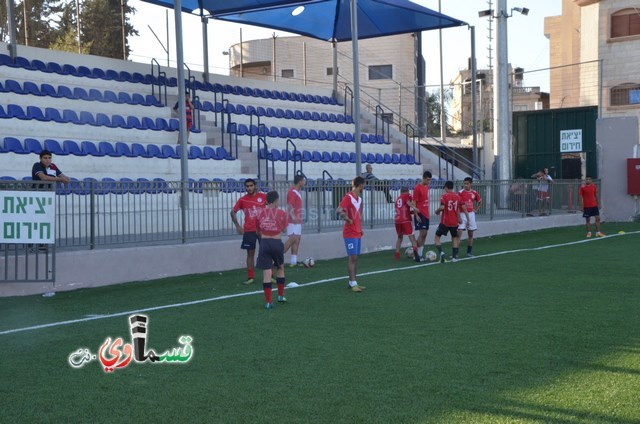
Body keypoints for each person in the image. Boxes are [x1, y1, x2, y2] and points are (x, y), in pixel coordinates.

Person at [255, 191, 289, 310]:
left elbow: (257, 231)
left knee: (267, 272)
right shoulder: (281, 213)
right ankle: (280, 296)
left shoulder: (259, 213)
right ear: (276, 200)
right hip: (276, 242)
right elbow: (284, 230)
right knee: (280, 267)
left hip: (264, 243)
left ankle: (268, 302)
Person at [230, 179, 267, 285]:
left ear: (255, 186)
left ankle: (270, 276)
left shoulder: (263, 197)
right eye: (247, 186)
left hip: (262, 229)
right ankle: (251, 277)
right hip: (249, 230)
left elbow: (272, 207)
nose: (249, 188)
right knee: (250, 254)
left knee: (267, 253)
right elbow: (232, 212)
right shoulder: (243, 200)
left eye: (251, 185)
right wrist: (237, 226)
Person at [336, 176, 367, 292]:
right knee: (352, 257)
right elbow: (339, 210)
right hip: (350, 233)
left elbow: (359, 216)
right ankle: (353, 283)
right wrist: (347, 219)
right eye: (364, 185)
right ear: (360, 185)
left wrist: (360, 227)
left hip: (357, 232)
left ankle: (353, 282)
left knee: (355, 258)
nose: (364, 187)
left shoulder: (359, 199)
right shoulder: (348, 197)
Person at [434, 180, 469, 263]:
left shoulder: (444, 196)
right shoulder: (458, 197)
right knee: (454, 238)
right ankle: (454, 258)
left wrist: (437, 211)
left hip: (445, 222)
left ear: (446, 187)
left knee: (437, 237)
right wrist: (463, 219)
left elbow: (442, 207)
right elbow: (461, 208)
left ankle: (441, 253)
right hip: (454, 222)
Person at [283, 175, 306, 267]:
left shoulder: (297, 191)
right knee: (292, 238)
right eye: (303, 181)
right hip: (293, 220)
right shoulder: (292, 192)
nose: (304, 182)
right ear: (299, 182)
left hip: (297, 220)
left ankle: (293, 262)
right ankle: (278, 258)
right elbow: (289, 205)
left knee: (297, 240)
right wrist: (293, 216)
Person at [393, 187, 421, 262]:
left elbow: (402, 210)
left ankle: (397, 255)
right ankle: (416, 254)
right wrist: (415, 208)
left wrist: (411, 212)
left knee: (399, 238)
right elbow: (408, 202)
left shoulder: (397, 199)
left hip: (397, 221)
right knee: (412, 238)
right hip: (406, 220)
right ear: (407, 191)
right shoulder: (407, 195)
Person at [457, 177, 482, 257]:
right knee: (459, 234)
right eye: (464, 183)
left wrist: (476, 209)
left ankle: (469, 252)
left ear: (471, 184)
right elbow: (457, 204)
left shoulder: (474, 193)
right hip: (462, 214)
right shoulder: (460, 193)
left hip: (471, 214)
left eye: (467, 184)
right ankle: (456, 253)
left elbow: (480, 201)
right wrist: (458, 216)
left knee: (470, 235)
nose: (465, 185)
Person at [413, 171, 433, 260]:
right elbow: (414, 202)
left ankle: (420, 254)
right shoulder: (417, 188)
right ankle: (415, 253)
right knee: (423, 233)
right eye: (428, 180)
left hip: (426, 214)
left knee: (425, 234)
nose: (429, 182)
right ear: (423, 178)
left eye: (430, 180)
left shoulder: (427, 186)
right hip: (420, 213)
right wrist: (416, 215)